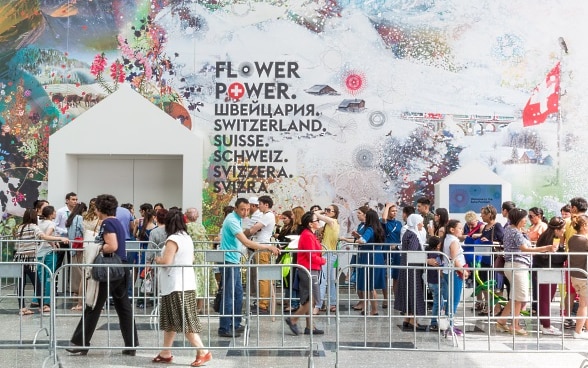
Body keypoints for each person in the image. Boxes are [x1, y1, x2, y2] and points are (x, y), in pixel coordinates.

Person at [67, 194, 139, 355]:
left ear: (100, 209)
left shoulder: (107, 223)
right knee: (124, 307)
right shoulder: (118, 223)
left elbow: (112, 246)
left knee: (93, 305)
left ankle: (80, 342)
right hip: (121, 267)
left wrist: (98, 248)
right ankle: (131, 344)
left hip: (109, 269)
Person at [150, 208, 212, 366]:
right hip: (185, 283)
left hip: (175, 285)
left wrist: (157, 259)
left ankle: (203, 351)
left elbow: (167, 261)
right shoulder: (186, 237)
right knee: (171, 321)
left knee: (185, 322)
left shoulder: (172, 239)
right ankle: (165, 352)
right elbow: (190, 258)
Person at [217, 198, 280, 338]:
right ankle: (224, 327)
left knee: (238, 293)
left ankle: (235, 322)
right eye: (242, 209)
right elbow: (245, 241)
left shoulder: (238, 218)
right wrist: (268, 246)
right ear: (236, 208)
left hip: (234, 261)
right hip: (228, 261)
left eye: (247, 209)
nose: (245, 212)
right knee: (229, 295)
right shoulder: (232, 220)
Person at [496, 208, 558, 336]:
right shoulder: (515, 232)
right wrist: (547, 248)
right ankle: (515, 325)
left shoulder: (510, 230)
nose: (526, 220)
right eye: (525, 218)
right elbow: (525, 249)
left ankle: (502, 321)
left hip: (514, 265)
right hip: (518, 266)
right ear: (519, 218)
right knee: (520, 297)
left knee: (515, 296)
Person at [14, 208, 68, 315]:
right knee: (37, 283)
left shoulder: (20, 227)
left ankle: (22, 308)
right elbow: (43, 236)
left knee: (21, 284)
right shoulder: (34, 227)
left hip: (19, 259)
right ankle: (42, 306)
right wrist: (59, 239)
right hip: (29, 259)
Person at [284, 212, 326, 335]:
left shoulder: (310, 234)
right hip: (309, 269)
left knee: (310, 298)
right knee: (311, 299)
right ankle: (293, 319)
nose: (318, 222)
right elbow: (311, 255)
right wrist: (322, 260)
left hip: (311, 268)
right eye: (316, 220)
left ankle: (310, 326)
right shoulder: (307, 235)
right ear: (310, 223)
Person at [532, 216, 565, 335]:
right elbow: (554, 257)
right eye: (563, 228)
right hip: (547, 272)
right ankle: (546, 325)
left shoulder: (546, 237)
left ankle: (545, 324)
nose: (564, 231)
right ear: (556, 230)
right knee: (545, 299)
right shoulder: (551, 240)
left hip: (546, 271)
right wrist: (564, 253)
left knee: (545, 299)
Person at [395, 213, 427, 330]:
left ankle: (407, 319)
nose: (422, 225)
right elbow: (413, 254)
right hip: (412, 270)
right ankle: (413, 321)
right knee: (414, 293)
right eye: (420, 223)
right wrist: (427, 260)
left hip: (406, 268)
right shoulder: (413, 236)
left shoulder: (407, 234)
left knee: (408, 293)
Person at [244, 195, 276, 314]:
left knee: (263, 277)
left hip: (263, 248)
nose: (259, 206)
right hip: (259, 247)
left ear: (266, 205)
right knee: (260, 276)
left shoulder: (268, 215)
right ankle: (261, 302)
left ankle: (263, 304)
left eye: (260, 204)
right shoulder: (264, 215)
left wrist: (243, 234)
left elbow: (253, 229)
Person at [354, 209, 386, 316]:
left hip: (369, 257)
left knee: (369, 285)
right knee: (371, 285)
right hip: (378, 256)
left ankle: (373, 310)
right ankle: (371, 309)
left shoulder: (369, 229)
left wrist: (358, 239)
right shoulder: (379, 228)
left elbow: (363, 241)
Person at [186, 207, 217, 313]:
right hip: (203, 257)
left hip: (193, 257)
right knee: (202, 281)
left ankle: (192, 308)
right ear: (197, 216)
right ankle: (199, 307)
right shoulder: (201, 227)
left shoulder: (186, 227)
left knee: (193, 281)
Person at [441, 219, 469, 336]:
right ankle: (450, 326)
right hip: (455, 272)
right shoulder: (453, 241)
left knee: (451, 299)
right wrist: (462, 270)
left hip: (448, 271)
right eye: (460, 228)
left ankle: (449, 324)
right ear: (452, 229)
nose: (461, 230)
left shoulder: (447, 239)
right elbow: (454, 258)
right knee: (455, 300)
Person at [313, 204, 340, 313]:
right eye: (326, 209)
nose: (327, 211)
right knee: (330, 279)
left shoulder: (332, 222)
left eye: (329, 210)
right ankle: (333, 302)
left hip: (328, 254)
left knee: (322, 280)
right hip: (328, 253)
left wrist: (321, 212)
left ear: (334, 213)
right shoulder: (330, 224)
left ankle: (318, 306)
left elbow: (316, 214)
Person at [568, 214, 588, 339]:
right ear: (584, 225)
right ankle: (578, 331)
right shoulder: (585, 240)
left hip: (575, 275)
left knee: (584, 303)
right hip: (584, 276)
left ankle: (583, 328)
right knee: (583, 305)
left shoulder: (572, 239)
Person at [66, 202, 88, 311]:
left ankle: (78, 296)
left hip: (73, 248)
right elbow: (84, 232)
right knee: (82, 275)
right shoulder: (79, 218)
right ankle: (81, 299)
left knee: (77, 274)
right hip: (80, 248)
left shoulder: (71, 218)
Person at [381, 202, 402, 306]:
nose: (394, 213)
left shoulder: (399, 223)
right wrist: (388, 206)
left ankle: (397, 299)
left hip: (396, 251)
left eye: (395, 211)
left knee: (396, 275)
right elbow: (384, 219)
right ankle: (385, 298)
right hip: (386, 249)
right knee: (385, 274)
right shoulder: (384, 222)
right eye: (392, 211)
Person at [425, 236, 442, 331]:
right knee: (438, 303)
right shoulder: (437, 255)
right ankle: (434, 321)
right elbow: (439, 267)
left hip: (430, 281)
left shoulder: (428, 254)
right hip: (437, 282)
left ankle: (437, 320)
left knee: (439, 302)